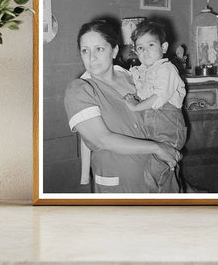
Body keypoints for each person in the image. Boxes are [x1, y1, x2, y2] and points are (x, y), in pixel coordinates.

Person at [64, 19, 180, 193]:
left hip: (162, 178)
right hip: (122, 184)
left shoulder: (135, 78)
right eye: (85, 50)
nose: (91, 57)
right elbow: (102, 139)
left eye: (99, 49)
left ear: (114, 50)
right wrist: (157, 148)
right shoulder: (80, 90)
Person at [123, 20, 187, 192]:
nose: (146, 51)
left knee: (153, 173)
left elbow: (158, 97)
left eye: (151, 44)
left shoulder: (167, 69)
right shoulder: (142, 71)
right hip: (152, 133)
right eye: (140, 48)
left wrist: (135, 107)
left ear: (164, 47)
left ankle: (161, 203)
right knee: (164, 174)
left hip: (168, 130)